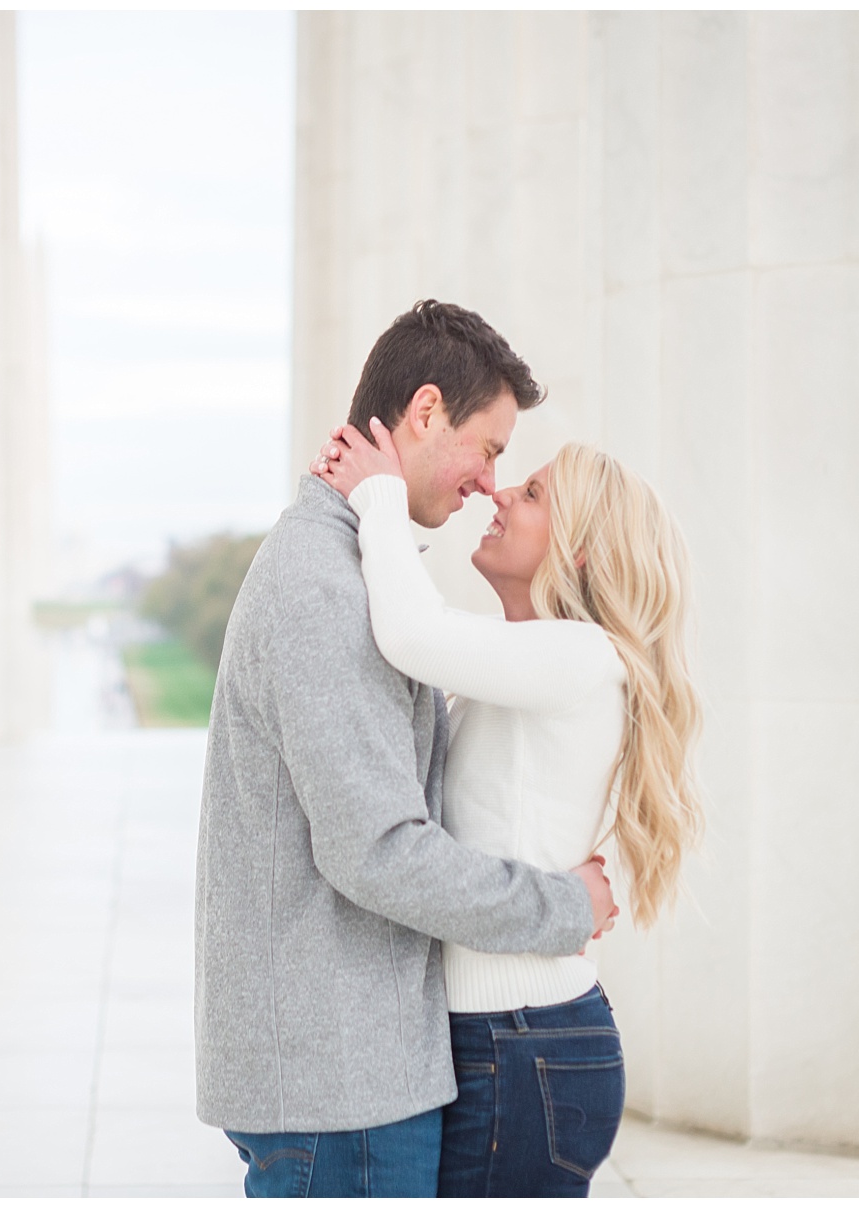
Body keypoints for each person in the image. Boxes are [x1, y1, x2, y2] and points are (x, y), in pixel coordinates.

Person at [194, 300, 618, 1199]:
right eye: (492, 448)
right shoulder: (324, 586)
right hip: (341, 1088)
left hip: (351, 1072)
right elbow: (378, 851)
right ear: (426, 412)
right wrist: (563, 907)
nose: (487, 483)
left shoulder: (350, 567)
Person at [310, 418, 703, 1197]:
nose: (498, 490)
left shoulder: (582, 655)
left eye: (532, 494)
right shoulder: (539, 665)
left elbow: (413, 632)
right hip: (509, 1043)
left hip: (522, 1045)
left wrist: (380, 498)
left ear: (580, 547)